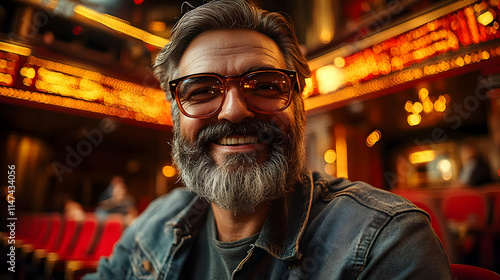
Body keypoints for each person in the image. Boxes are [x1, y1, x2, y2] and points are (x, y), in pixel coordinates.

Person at [84, 0, 451, 279]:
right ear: (177, 117)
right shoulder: (156, 221)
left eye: (264, 86)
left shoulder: (385, 242)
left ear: (299, 107)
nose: (233, 111)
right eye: (202, 91)